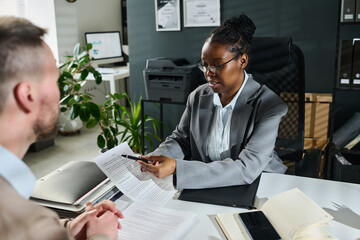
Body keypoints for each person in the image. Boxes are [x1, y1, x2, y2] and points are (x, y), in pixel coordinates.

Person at [0, 16, 123, 240]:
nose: (60, 92)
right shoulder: (17, 215)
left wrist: (66, 230)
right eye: (55, 79)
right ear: (28, 95)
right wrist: (102, 237)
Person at [139, 13, 288, 189]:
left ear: (242, 61)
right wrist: (156, 158)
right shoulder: (198, 97)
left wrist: (177, 167)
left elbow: (247, 168)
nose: (209, 73)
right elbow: (181, 140)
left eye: (217, 65)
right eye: (205, 64)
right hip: (209, 184)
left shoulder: (269, 105)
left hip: (259, 184)